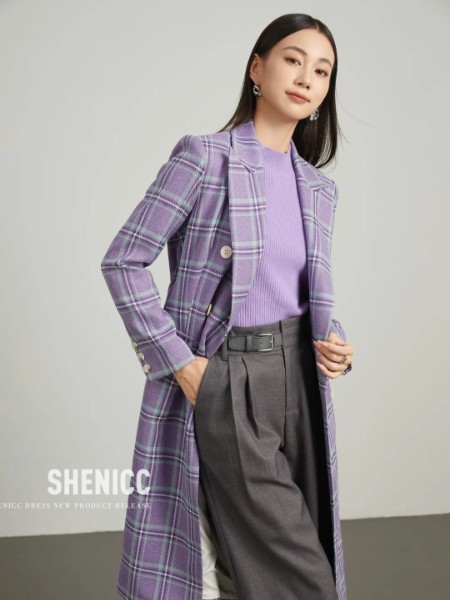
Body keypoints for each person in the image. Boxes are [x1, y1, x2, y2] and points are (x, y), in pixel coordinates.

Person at [101, 12, 355, 600]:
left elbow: (295, 286)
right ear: (257, 69)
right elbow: (123, 261)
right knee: (301, 575)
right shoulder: (205, 158)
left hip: (302, 380)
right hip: (228, 377)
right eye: (293, 60)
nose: (307, 78)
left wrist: (335, 340)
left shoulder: (319, 188)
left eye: (322, 71)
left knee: (260, 565)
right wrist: (180, 363)